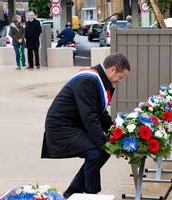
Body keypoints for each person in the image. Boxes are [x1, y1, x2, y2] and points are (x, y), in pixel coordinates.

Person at [41, 53, 130, 198]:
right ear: (112, 69)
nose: (119, 81)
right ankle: (91, 195)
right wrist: (105, 143)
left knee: (101, 151)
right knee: (95, 152)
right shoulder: (88, 80)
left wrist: (116, 133)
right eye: (120, 77)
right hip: (61, 127)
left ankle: (73, 192)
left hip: (73, 124)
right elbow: (89, 117)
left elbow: (100, 113)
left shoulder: (98, 79)